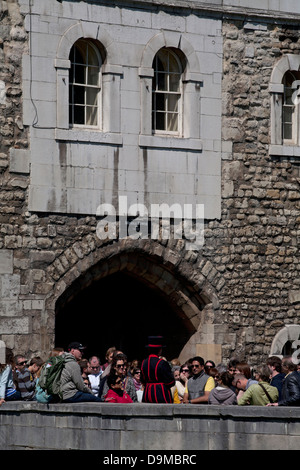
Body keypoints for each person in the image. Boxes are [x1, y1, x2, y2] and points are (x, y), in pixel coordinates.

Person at [141, 336, 175, 403]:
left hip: (147, 393)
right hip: (161, 393)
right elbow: (170, 382)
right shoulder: (162, 363)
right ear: (160, 350)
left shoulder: (144, 363)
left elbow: (143, 380)